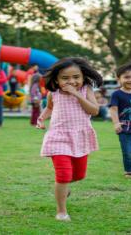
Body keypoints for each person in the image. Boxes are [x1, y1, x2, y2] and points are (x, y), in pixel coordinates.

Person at [37, 57, 103, 222]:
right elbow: (50, 107)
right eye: (65, 78)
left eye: (76, 77)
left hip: (80, 136)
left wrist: (76, 94)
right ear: (57, 80)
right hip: (58, 136)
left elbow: (94, 110)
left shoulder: (86, 89)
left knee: (79, 175)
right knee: (64, 174)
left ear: (82, 77)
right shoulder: (54, 93)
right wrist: (41, 118)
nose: (71, 81)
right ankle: (61, 212)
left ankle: (63, 187)